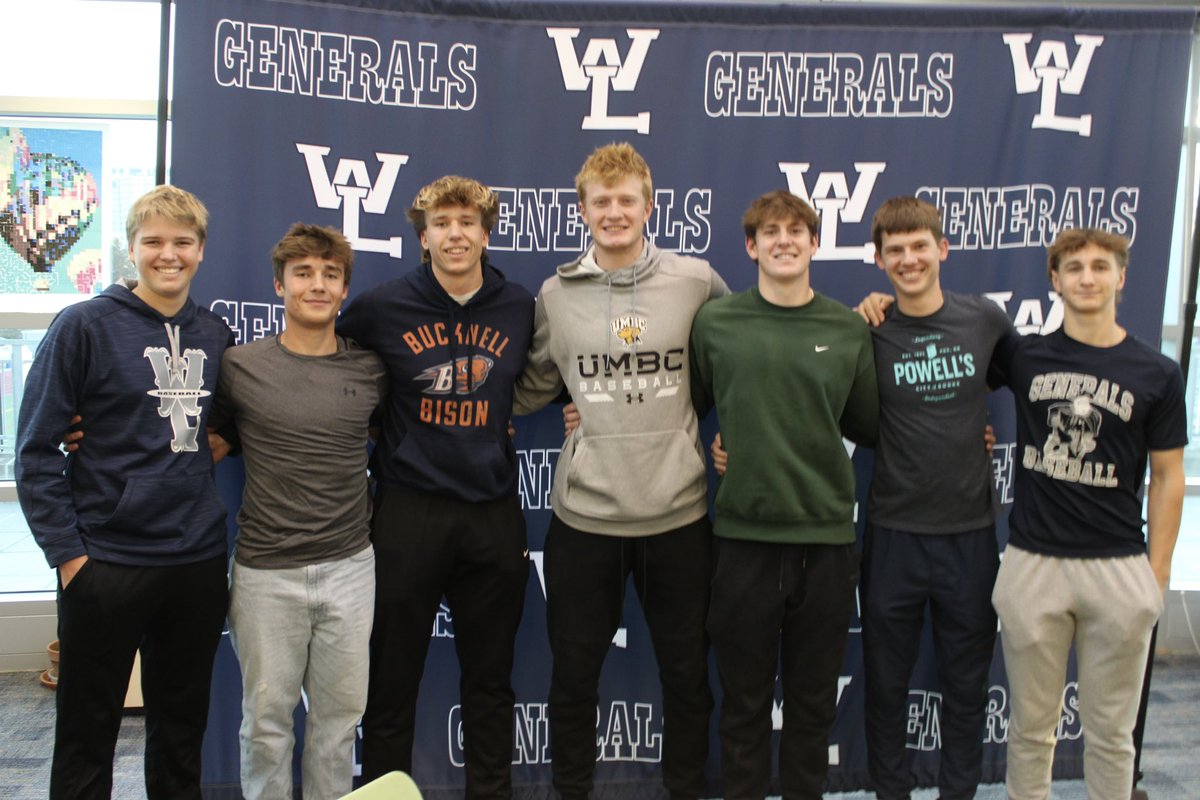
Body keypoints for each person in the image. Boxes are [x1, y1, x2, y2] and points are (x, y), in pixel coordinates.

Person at [513, 142, 728, 800]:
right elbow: (531, 385)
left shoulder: (696, 280)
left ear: (648, 205)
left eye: (625, 200)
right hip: (586, 520)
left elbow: (738, 357)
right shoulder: (555, 294)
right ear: (582, 210)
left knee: (688, 679)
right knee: (574, 682)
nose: (614, 212)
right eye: (600, 202)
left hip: (680, 515)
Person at [16, 185, 234, 800]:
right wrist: (70, 557)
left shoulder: (217, 335)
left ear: (200, 250)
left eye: (183, 242)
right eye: (154, 242)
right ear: (131, 248)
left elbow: (232, 426)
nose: (170, 255)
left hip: (194, 561)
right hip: (105, 561)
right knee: (88, 732)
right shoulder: (83, 326)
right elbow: (35, 450)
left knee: (181, 730)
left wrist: (217, 444)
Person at [336, 176, 535, 797]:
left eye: (467, 222)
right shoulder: (381, 305)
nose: (455, 234)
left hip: (491, 511)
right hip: (408, 511)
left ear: (485, 232)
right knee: (392, 681)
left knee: (491, 681)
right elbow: (328, 368)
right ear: (422, 237)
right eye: (442, 224)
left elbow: (550, 376)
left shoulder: (519, 305)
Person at [689, 190, 879, 800]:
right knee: (742, 708)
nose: (784, 240)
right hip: (743, 540)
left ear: (815, 243)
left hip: (825, 543)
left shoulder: (847, 327)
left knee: (811, 706)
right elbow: (685, 411)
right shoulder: (716, 322)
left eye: (797, 230)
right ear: (751, 247)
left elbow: (871, 425)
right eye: (770, 232)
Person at [991, 228, 1185, 800]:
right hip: (1033, 564)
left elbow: (1169, 477)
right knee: (1029, 731)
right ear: (1055, 281)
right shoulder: (1025, 355)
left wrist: (1158, 574)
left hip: (1118, 566)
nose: (1087, 277)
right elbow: (948, 377)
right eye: (1073, 268)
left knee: (1111, 735)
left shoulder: (1157, 373)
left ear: (1121, 278)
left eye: (1101, 267)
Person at [209, 224, 386, 800]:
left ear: (343, 290)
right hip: (266, 572)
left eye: (330, 275)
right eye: (303, 274)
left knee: (338, 726)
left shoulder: (370, 370)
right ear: (279, 285)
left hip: (350, 569)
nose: (317, 285)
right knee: (265, 727)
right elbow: (176, 420)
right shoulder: (237, 367)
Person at [854, 197, 1015, 800]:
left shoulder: (984, 320)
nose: (909, 258)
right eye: (895, 250)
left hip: (970, 536)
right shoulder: (868, 327)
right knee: (886, 688)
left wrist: (974, 421)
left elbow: (1019, 379)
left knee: (967, 687)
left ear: (943, 249)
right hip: (893, 533)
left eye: (920, 245)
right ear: (878, 260)